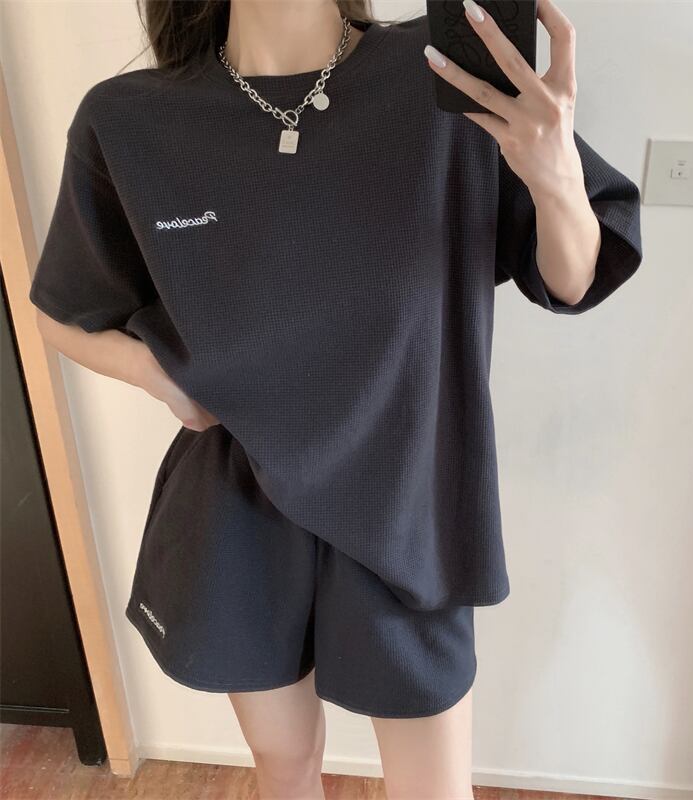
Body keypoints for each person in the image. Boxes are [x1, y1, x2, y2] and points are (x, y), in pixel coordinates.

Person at [28, 0, 643, 797]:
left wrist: (555, 174)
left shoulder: (444, 72)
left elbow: (572, 278)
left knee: (432, 789)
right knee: (284, 768)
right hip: (235, 502)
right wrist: (159, 378)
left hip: (407, 502)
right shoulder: (130, 119)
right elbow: (62, 311)